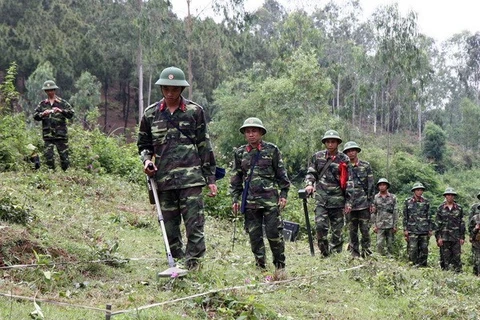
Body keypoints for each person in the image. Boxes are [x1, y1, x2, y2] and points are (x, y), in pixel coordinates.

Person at [137, 66, 217, 270]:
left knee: (194, 226)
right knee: (170, 227)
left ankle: (194, 267)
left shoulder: (195, 111)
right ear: (161, 88)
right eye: (166, 88)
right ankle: (177, 267)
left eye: (174, 89)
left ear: (181, 89)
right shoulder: (150, 114)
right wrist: (147, 161)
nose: (170, 93)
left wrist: (211, 179)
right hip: (164, 180)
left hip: (191, 180)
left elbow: (204, 145)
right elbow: (144, 146)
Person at [229, 117, 290, 276]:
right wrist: (235, 199)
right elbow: (236, 178)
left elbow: (281, 174)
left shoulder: (272, 150)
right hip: (249, 202)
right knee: (254, 236)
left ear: (261, 133)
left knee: (274, 234)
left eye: (254, 131)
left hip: (270, 201)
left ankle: (280, 265)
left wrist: (284, 194)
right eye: (248, 132)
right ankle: (260, 265)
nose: (251, 134)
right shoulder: (240, 153)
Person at [304, 130, 350, 257]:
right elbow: (311, 172)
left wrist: (348, 201)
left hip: (338, 200)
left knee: (337, 230)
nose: (330, 144)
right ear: (325, 143)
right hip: (321, 198)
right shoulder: (317, 157)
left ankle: (336, 255)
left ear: (338, 143)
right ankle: (324, 253)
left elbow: (348, 181)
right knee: (320, 227)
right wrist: (309, 184)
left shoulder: (344, 159)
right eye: (328, 142)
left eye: (333, 142)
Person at [33, 80, 74, 171]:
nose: (49, 92)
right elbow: (35, 116)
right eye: (47, 90)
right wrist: (42, 114)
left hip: (61, 135)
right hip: (48, 135)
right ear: (45, 92)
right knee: (48, 157)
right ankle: (51, 175)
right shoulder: (43, 104)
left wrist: (61, 111)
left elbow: (71, 114)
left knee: (64, 157)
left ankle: (66, 175)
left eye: (51, 90)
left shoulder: (62, 102)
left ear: (54, 90)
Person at [343, 141, 375, 258]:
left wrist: (371, 202)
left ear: (357, 151)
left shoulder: (365, 166)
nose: (351, 153)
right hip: (349, 205)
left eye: (353, 150)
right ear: (346, 153)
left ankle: (366, 252)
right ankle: (354, 254)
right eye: (348, 151)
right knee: (352, 231)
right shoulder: (343, 167)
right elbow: (341, 186)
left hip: (363, 204)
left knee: (365, 230)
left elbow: (370, 185)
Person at [434, 187, 465, 272]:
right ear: (445, 196)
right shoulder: (440, 208)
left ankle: (458, 274)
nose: (450, 197)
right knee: (445, 257)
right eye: (448, 195)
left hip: (456, 237)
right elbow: (437, 224)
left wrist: (462, 237)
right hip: (444, 237)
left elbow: (462, 223)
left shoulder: (459, 208)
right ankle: (445, 274)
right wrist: (438, 238)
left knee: (457, 257)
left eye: (452, 195)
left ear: (454, 196)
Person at [403, 182, 432, 267]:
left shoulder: (426, 202)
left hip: (424, 230)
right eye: (418, 190)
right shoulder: (407, 201)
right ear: (414, 191)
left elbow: (429, 216)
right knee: (413, 249)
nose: (419, 192)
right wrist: (405, 229)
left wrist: (430, 229)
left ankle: (423, 266)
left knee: (424, 249)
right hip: (412, 230)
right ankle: (412, 265)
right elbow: (405, 216)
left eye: (421, 190)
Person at [371, 178, 398, 256]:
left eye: (384, 185)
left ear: (387, 186)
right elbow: (373, 213)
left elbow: (395, 212)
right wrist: (374, 225)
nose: (382, 186)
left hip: (390, 224)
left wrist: (395, 225)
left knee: (390, 244)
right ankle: (381, 259)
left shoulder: (393, 197)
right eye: (380, 185)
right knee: (379, 244)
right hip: (379, 225)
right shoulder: (375, 198)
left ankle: (391, 260)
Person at [468, 192, 480, 276]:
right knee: (477, 259)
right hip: (477, 241)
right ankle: (476, 275)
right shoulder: (475, 217)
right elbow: (470, 228)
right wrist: (476, 228)